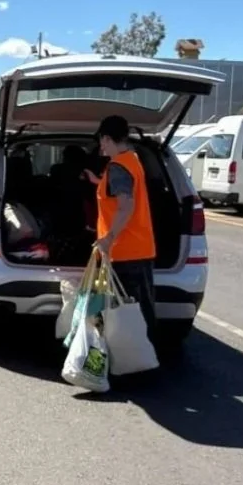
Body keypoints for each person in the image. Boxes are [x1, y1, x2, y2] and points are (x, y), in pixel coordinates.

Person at [90, 114, 158, 346]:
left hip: (124, 253)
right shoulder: (133, 160)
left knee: (125, 314)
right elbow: (119, 192)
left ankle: (130, 361)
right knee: (140, 313)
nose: (101, 146)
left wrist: (109, 238)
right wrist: (97, 182)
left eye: (102, 141)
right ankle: (144, 358)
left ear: (108, 138)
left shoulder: (118, 167)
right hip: (140, 249)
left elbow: (126, 204)